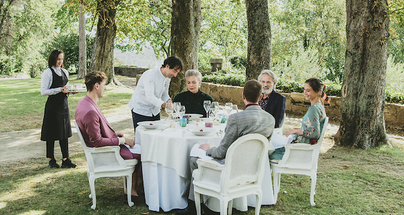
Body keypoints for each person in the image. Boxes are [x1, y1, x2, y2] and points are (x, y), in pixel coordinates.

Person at [179, 80, 274, 215]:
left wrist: (209, 148)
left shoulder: (236, 118)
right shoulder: (270, 119)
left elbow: (220, 152)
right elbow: (263, 147)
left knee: (194, 157)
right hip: (253, 169)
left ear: (243, 96)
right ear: (260, 97)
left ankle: (194, 206)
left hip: (231, 169)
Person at [75, 71, 142, 199]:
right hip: (104, 154)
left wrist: (115, 135)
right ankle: (133, 189)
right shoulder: (90, 111)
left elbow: (96, 132)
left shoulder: (84, 103)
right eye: (104, 85)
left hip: (105, 149)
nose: (105, 88)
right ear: (96, 86)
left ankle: (133, 187)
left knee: (138, 148)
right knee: (144, 153)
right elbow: (97, 142)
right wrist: (122, 141)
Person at [269, 77, 329, 160]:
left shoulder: (314, 109)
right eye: (304, 90)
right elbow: (312, 127)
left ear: (318, 92)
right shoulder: (320, 106)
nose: (305, 93)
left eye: (308, 91)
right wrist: (297, 130)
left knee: (268, 153)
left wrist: (296, 131)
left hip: (300, 151)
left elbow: (314, 133)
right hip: (301, 147)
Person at [40, 50, 75, 169]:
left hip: (63, 105)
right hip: (52, 107)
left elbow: (66, 89)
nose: (60, 61)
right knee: (51, 133)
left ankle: (66, 159)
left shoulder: (65, 72)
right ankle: (51, 159)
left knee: (64, 132)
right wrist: (59, 89)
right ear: (53, 59)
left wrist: (71, 92)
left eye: (62, 59)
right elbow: (43, 91)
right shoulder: (47, 73)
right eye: (58, 59)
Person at [128, 56, 183, 130]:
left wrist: (168, 100)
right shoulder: (150, 75)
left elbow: (164, 94)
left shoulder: (167, 78)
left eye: (177, 72)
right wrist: (165, 105)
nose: (175, 75)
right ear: (167, 66)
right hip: (141, 110)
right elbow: (150, 97)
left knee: (156, 134)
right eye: (174, 71)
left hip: (155, 111)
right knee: (142, 137)